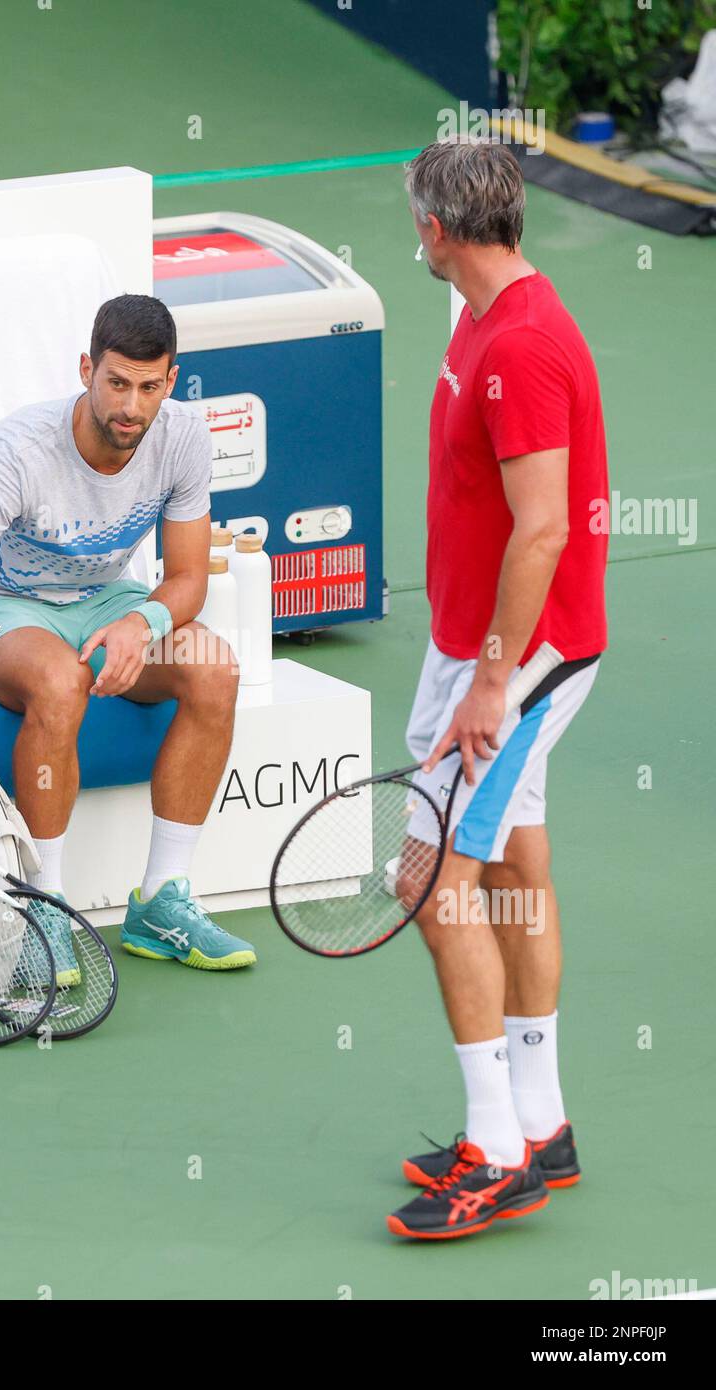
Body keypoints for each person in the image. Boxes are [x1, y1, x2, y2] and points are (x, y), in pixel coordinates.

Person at [0, 294, 256, 982]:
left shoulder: (182, 437)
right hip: (4, 607)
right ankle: (46, 909)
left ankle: (162, 900)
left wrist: (139, 623)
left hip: (107, 602)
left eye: (150, 387)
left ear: (172, 380)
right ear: (87, 369)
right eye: (117, 383)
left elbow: (184, 578)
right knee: (60, 681)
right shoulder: (19, 452)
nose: (132, 406)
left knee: (216, 668)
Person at [387, 140, 608, 1240]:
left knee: (430, 884)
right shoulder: (477, 312)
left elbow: (544, 529)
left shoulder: (517, 347)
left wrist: (490, 686)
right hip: (472, 644)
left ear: (435, 231)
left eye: (412, 222)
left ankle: (496, 1149)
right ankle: (543, 1120)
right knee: (517, 862)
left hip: (514, 659)